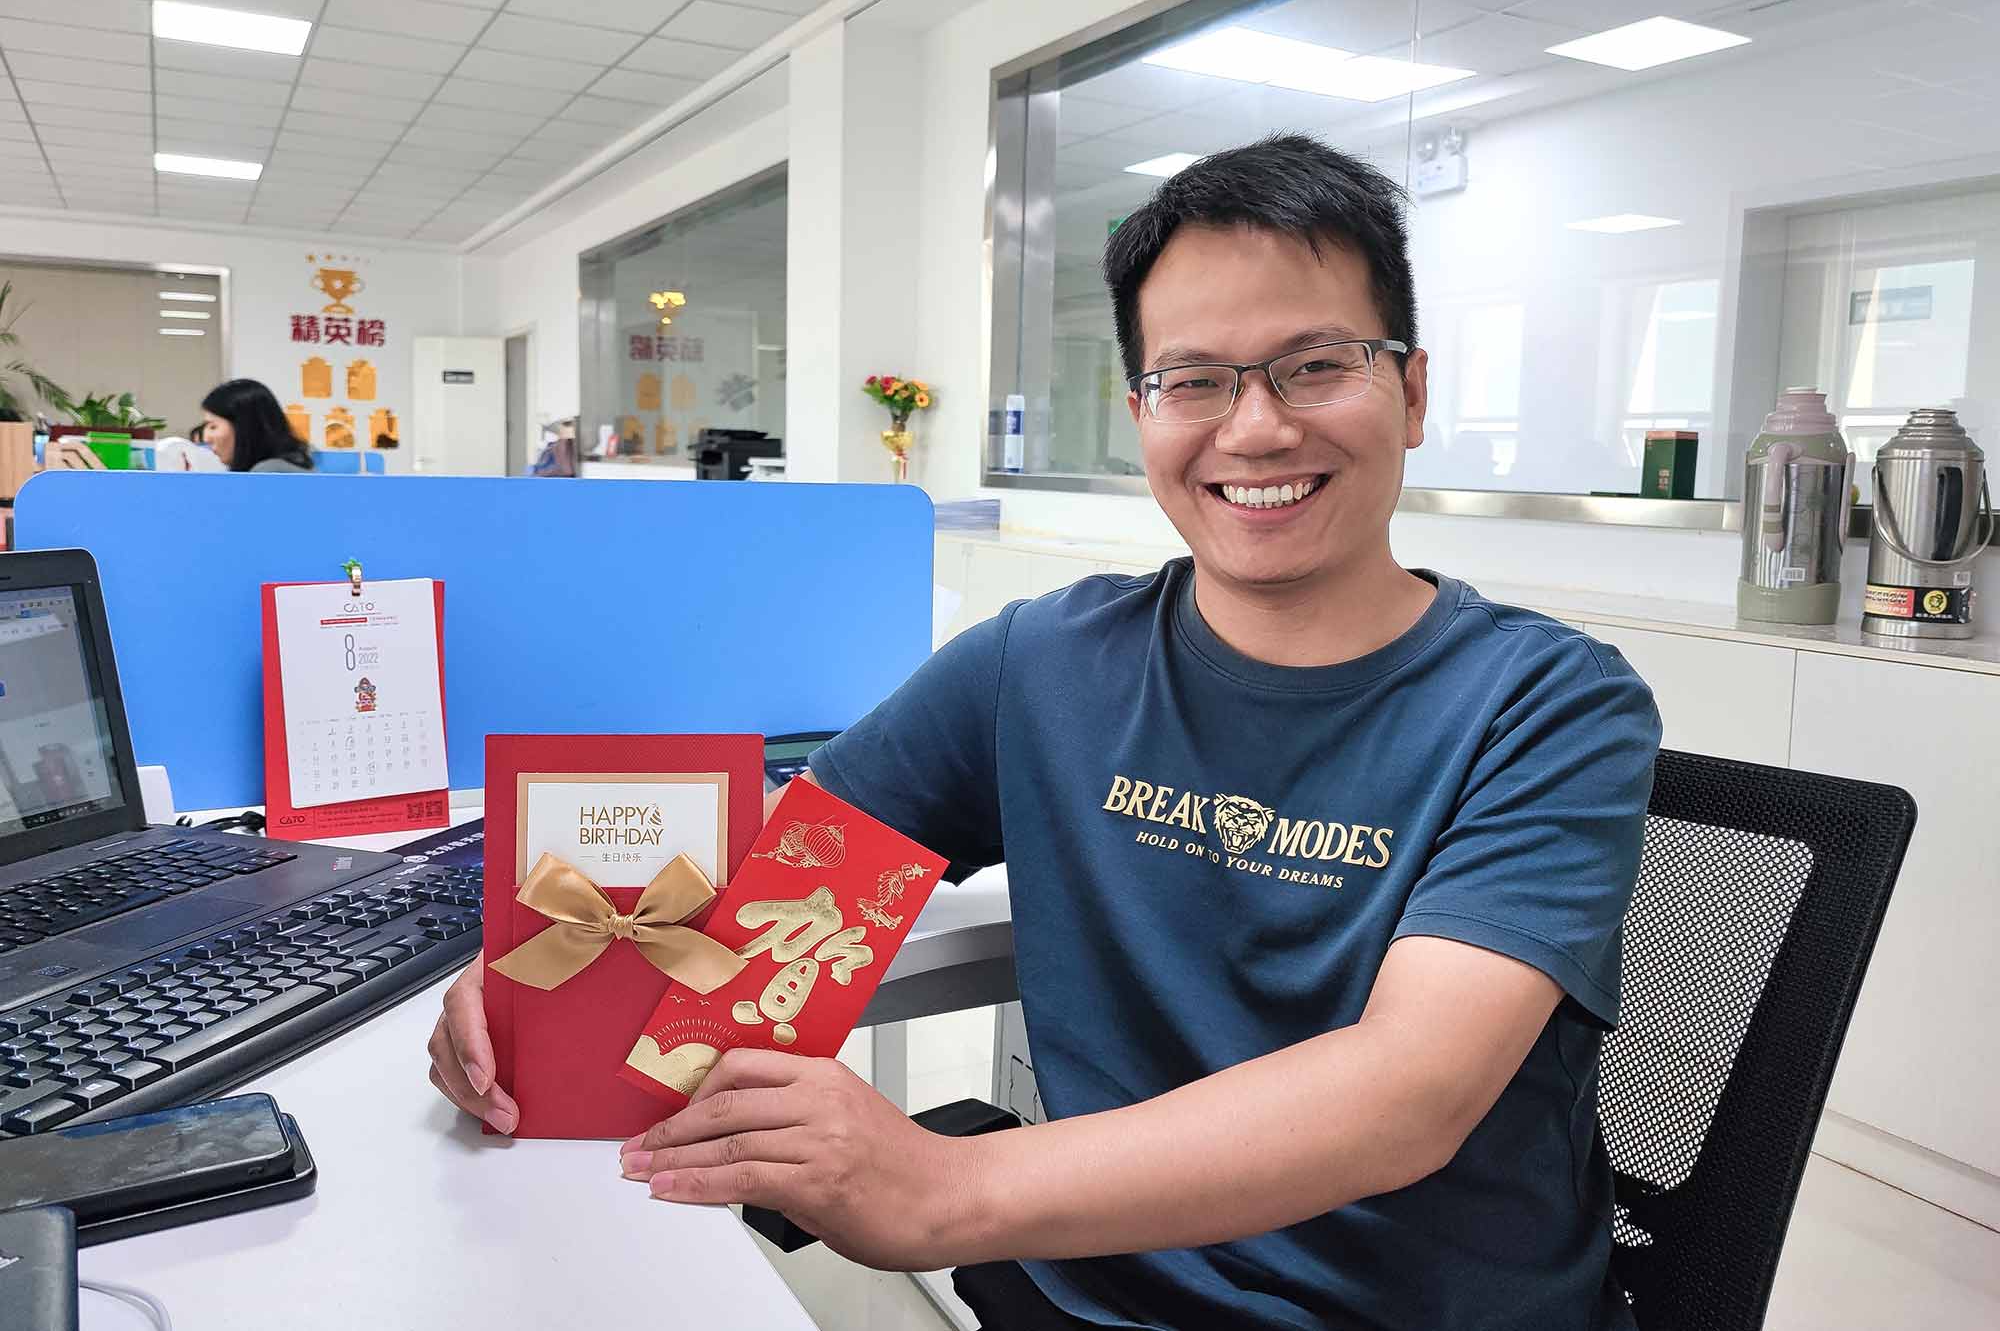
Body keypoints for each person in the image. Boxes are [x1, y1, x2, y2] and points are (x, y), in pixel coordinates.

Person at [425, 134, 1661, 1331]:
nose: (1254, 429)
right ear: (1139, 408)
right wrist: (553, 984)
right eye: (1194, 380)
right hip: (1098, 1292)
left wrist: (945, 1187)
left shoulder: (1545, 704)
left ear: (1413, 391)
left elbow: (1405, 1095)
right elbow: (784, 883)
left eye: (1314, 363)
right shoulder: (1041, 665)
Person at [199, 379, 315, 473]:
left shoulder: (268, 473)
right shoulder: (284, 466)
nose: (206, 438)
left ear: (244, 428)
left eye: (213, 427)